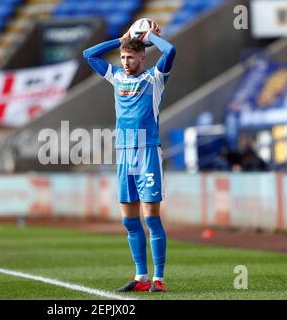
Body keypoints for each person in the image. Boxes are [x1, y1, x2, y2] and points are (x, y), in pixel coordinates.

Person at [83, 23, 176, 292]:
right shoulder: (116, 77)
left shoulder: (155, 78)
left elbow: (171, 51)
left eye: (130, 57)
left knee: (151, 218)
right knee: (128, 220)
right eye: (123, 57)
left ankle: (159, 279)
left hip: (147, 151)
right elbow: (89, 54)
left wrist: (151, 39)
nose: (125, 61)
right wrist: (120, 40)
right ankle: (141, 278)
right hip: (124, 153)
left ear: (143, 57)